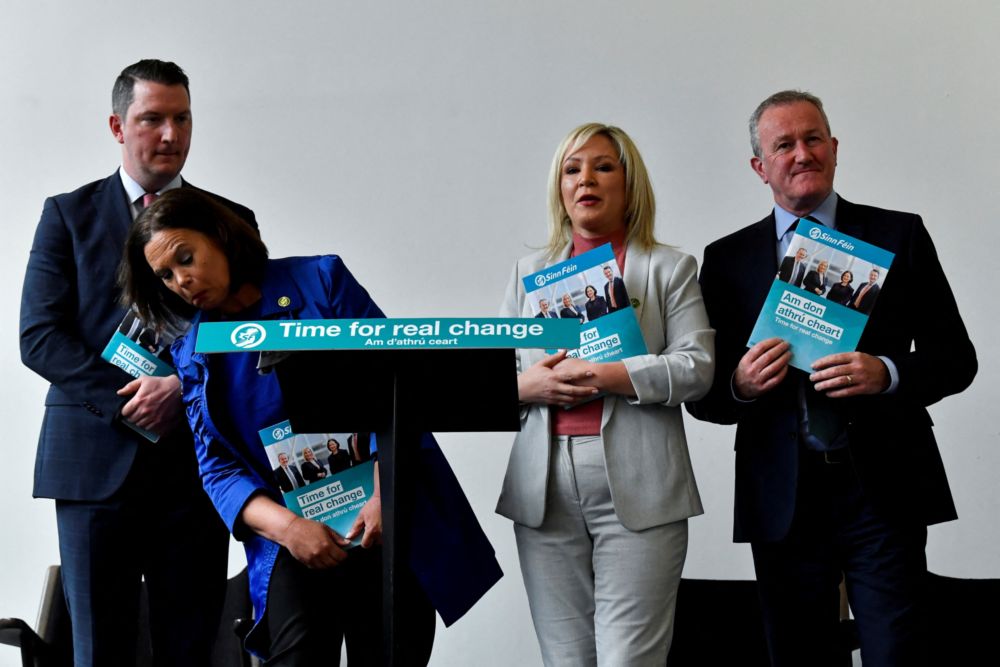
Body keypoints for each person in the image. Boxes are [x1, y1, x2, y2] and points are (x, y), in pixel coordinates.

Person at [119, 188, 502, 664]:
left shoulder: (321, 281)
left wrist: (387, 498)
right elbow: (216, 469)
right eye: (166, 276)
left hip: (387, 513)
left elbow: (398, 390)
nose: (182, 280)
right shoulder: (194, 348)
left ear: (218, 235)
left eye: (186, 257)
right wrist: (291, 529)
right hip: (293, 535)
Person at [688, 90, 977, 667]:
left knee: (897, 654)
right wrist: (739, 384)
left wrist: (888, 371)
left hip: (884, 489)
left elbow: (956, 357)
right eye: (784, 144)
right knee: (798, 657)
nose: (802, 154)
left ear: (835, 148)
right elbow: (705, 396)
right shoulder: (725, 259)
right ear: (759, 167)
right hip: (782, 497)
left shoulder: (899, 235)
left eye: (813, 138)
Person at [19, 59, 256, 667]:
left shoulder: (231, 222)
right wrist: (133, 399)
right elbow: (40, 336)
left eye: (182, 119)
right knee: (98, 650)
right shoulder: (67, 216)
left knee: (189, 647)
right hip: (92, 466)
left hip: (197, 467)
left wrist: (181, 387)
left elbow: (251, 337)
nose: (171, 135)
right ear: (118, 127)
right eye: (153, 119)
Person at [498, 123, 714, 666]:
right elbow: (489, 380)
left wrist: (608, 374)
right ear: (559, 187)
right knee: (565, 660)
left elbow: (698, 367)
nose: (585, 179)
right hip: (543, 485)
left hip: (639, 483)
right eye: (572, 169)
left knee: (628, 660)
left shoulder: (669, 268)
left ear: (629, 183)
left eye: (603, 166)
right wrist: (532, 385)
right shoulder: (529, 273)